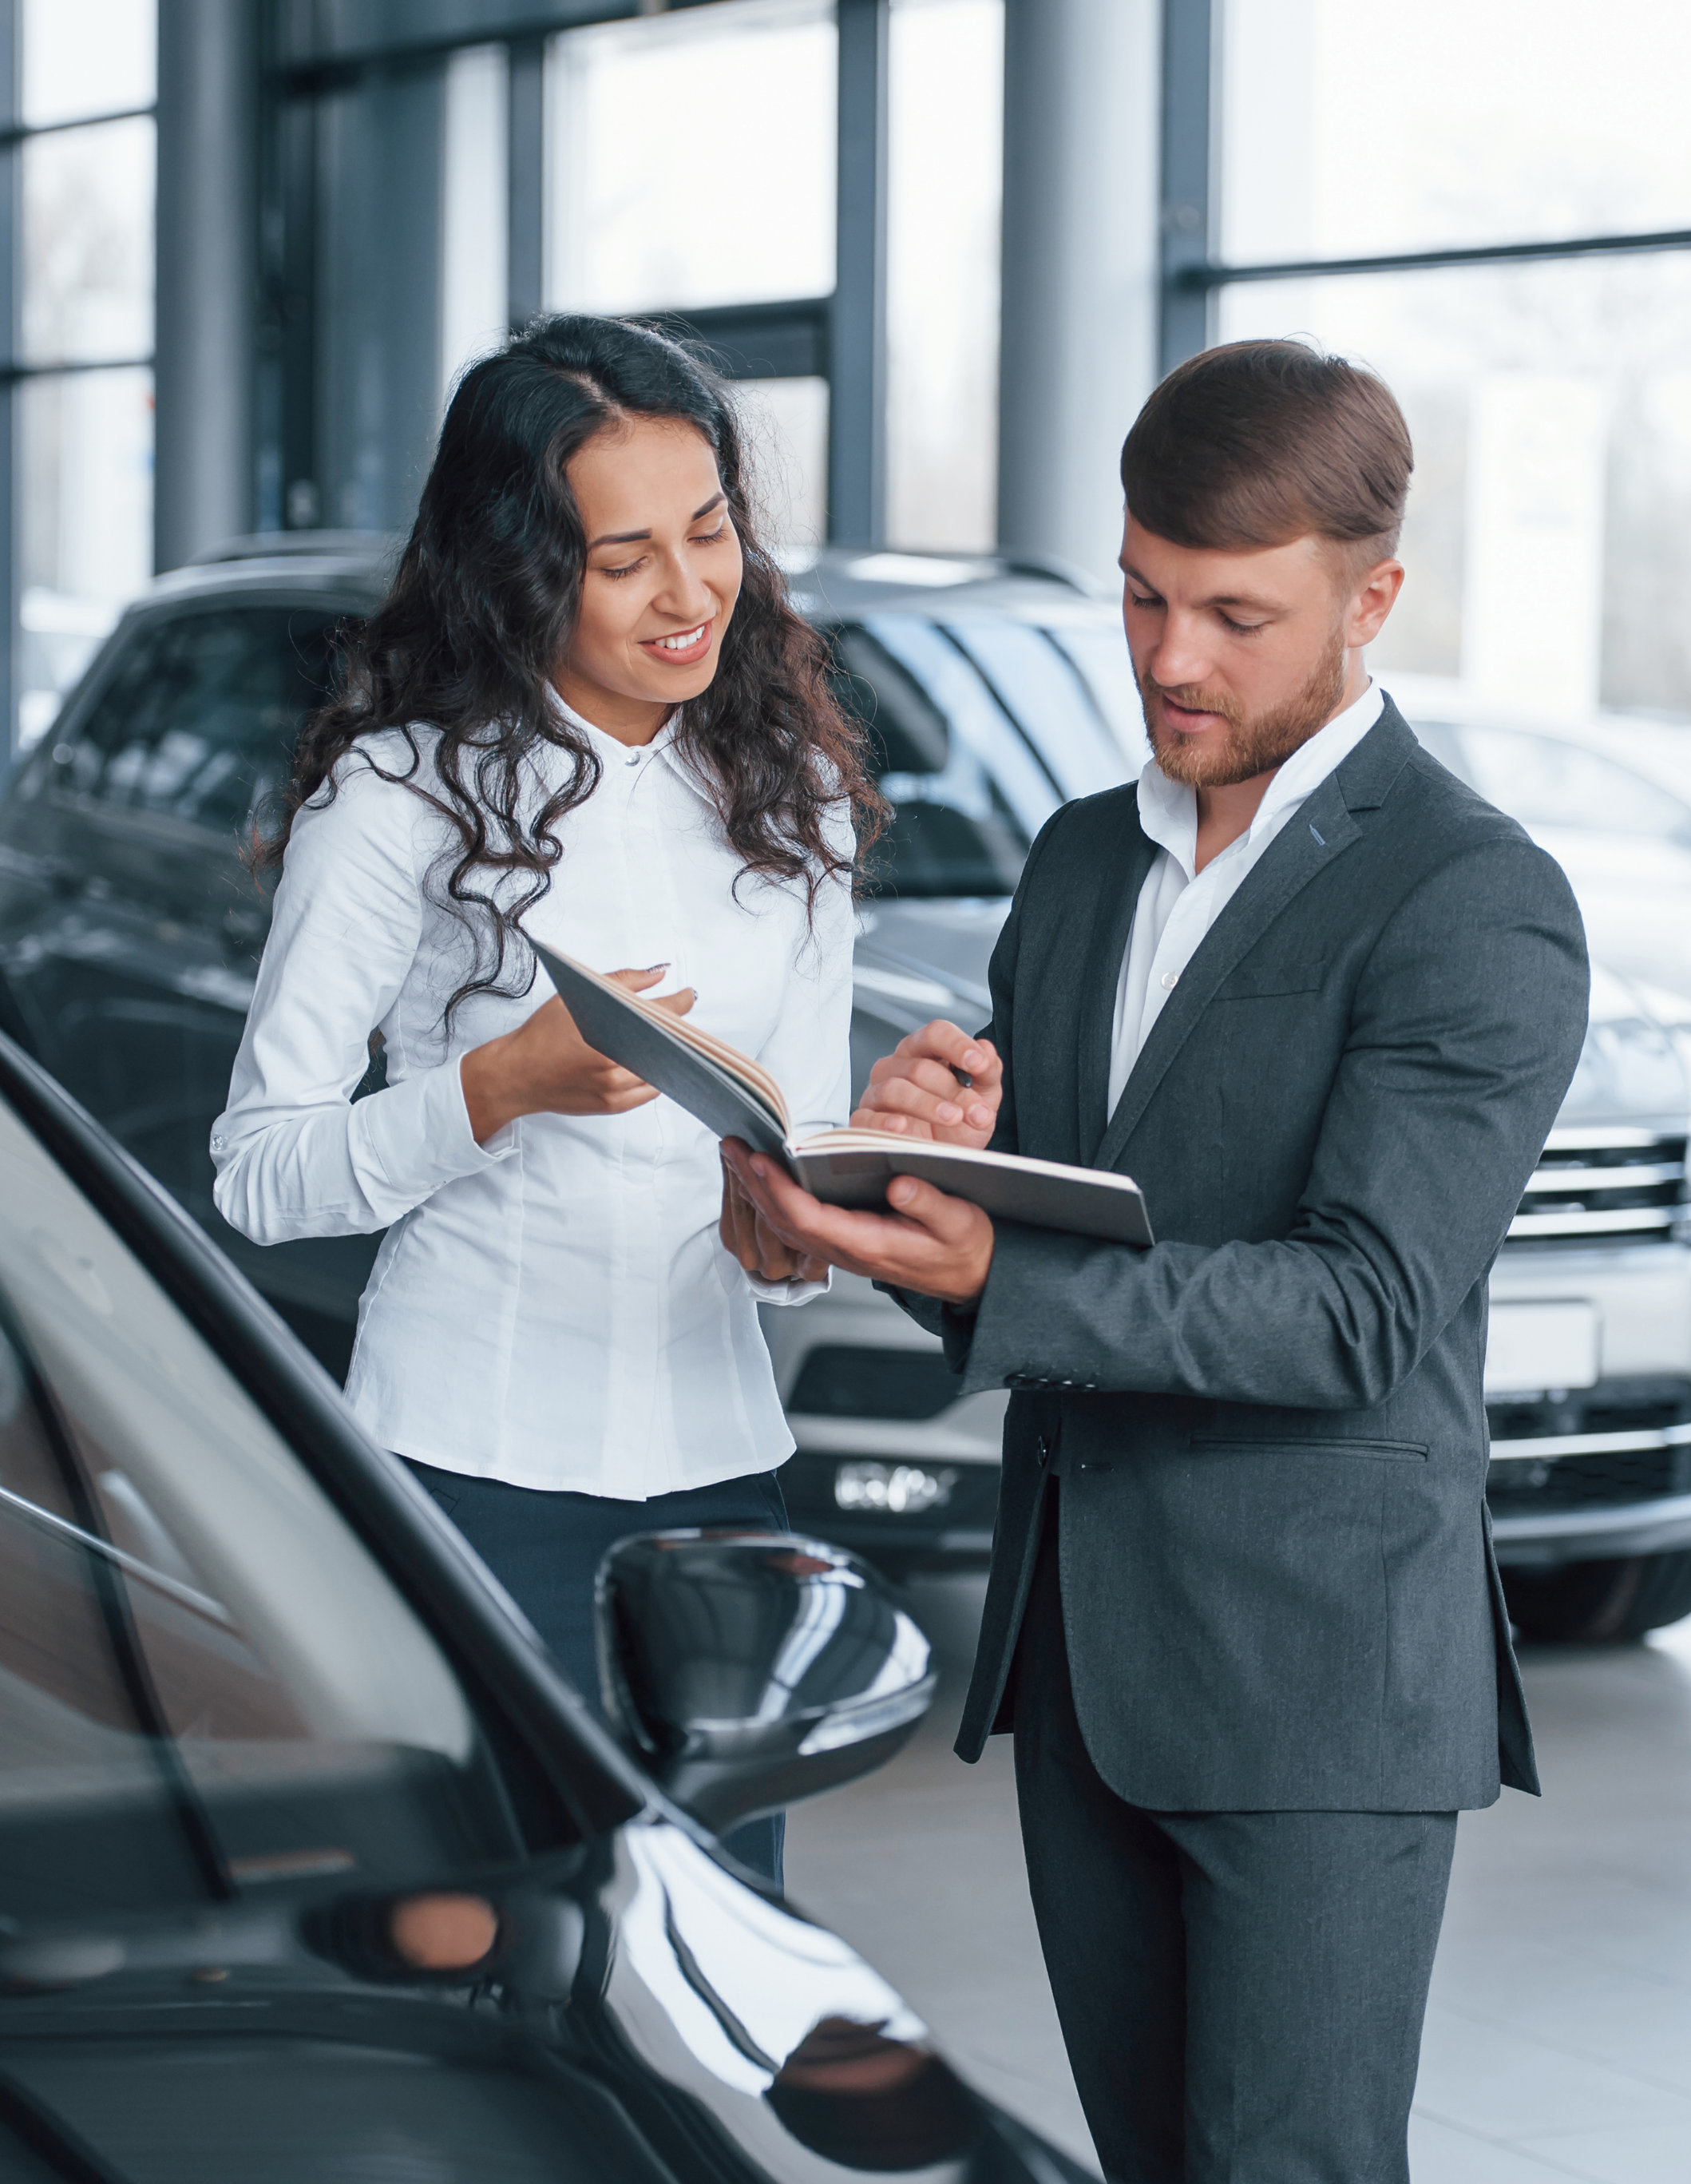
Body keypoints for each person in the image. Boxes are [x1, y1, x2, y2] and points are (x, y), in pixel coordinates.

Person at [722, 341, 1590, 2175]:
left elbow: (1360, 1308)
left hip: (1318, 1687)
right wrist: (895, 1184)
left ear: (1375, 600)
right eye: (1139, 594)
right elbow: (1026, 1237)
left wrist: (987, 1281)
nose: (1169, 659)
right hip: (1085, 1668)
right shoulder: (1081, 865)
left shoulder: (1470, 896)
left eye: (1233, 615)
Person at [211, 315, 880, 1886]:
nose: (689, 591)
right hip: (471, 1463)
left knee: (718, 1936)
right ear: (523, 570)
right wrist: (491, 1090)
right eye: (625, 555)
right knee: (508, 1934)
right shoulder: (397, 799)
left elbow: (807, 1157)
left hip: (720, 1478)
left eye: (709, 532)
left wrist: (811, 1228)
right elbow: (258, 1173)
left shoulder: (801, 800)